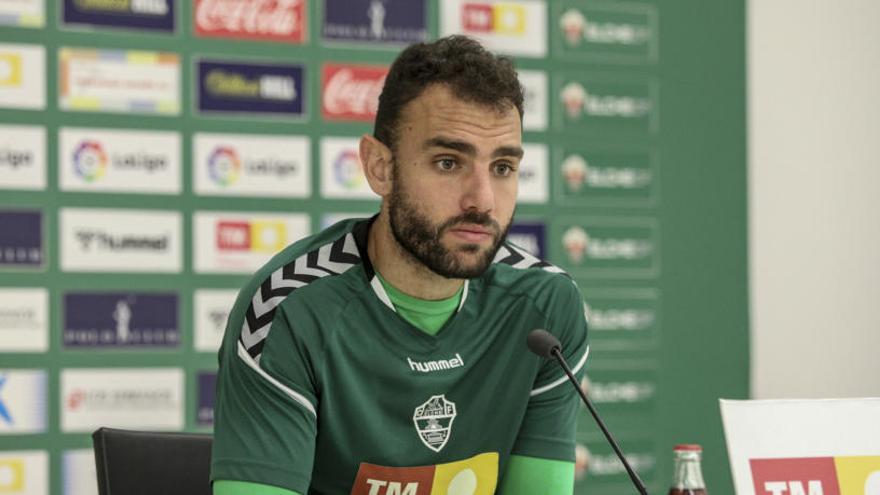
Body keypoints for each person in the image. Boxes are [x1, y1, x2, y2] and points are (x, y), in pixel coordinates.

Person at [211, 35, 590, 495]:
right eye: (449, 162)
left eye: (503, 168)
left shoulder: (546, 309)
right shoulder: (286, 311)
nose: (482, 200)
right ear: (380, 167)